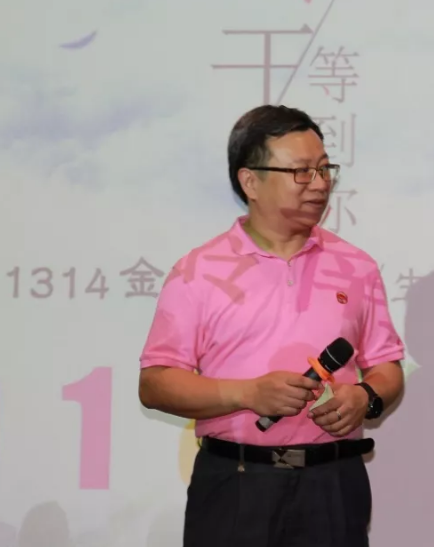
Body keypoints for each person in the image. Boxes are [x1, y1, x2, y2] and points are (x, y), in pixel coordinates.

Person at [138, 104, 405, 547]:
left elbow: (387, 367)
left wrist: (365, 397)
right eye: (301, 171)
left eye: (324, 169)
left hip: (334, 484)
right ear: (250, 181)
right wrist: (247, 394)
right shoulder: (198, 271)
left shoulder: (357, 267)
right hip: (236, 483)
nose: (319, 184)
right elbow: (156, 384)